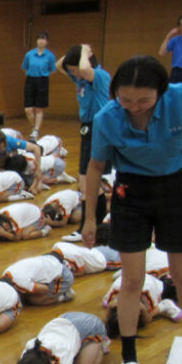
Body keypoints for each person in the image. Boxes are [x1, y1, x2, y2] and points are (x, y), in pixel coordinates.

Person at [82, 55, 182, 364]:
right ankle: (129, 355)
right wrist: (89, 218)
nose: (135, 107)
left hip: (177, 187)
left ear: (160, 91)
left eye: (144, 100)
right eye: (126, 99)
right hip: (131, 191)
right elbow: (96, 167)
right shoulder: (107, 116)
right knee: (131, 279)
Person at [57, 44, 111, 239]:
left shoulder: (99, 75)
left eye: (74, 69)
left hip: (99, 128)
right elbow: (59, 65)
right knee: (89, 183)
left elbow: (86, 69)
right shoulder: (80, 78)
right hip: (87, 128)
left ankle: (85, 228)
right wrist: (78, 48)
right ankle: (99, 223)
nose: (72, 73)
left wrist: (85, 53)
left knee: (86, 181)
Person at [15, 313, 110, 364]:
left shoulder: (61, 351)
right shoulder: (30, 348)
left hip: (91, 327)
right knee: (72, 363)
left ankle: (102, 343)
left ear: (51, 359)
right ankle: (78, 348)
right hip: (66, 320)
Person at [1, 252, 75, 306]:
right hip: (51, 263)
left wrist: (27, 292)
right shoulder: (6, 274)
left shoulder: (21, 283)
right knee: (27, 295)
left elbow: (45, 289)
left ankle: (65, 295)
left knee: (34, 300)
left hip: (63, 276)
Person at [22, 31, 56, 140]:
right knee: (28, 109)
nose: (41, 40)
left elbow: (52, 69)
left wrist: (43, 76)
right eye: (39, 38)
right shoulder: (29, 54)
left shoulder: (50, 56)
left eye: (43, 39)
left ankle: (36, 130)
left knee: (39, 109)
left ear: (47, 42)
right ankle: (34, 126)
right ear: (36, 41)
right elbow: (25, 67)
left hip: (43, 81)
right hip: (30, 80)